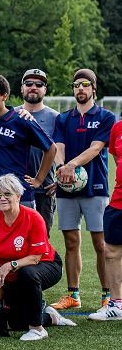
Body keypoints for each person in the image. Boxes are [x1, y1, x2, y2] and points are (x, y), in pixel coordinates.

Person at [47, 68, 116, 311]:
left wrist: (71, 165)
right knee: (71, 241)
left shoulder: (105, 116)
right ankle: (72, 295)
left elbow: (97, 148)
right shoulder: (63, 118)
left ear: (93, 88)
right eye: (76, 85)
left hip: (96, 187)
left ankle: (108, 296)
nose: (80, 88)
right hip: (68, 187)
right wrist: (62, 168)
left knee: (101, 243)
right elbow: (59, 146)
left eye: (85, 84)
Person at [0, 174, 74, 340]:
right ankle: (51, 317)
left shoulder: (33, 217)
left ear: (18, 196)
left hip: (46, 265)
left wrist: (10, 265)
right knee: (17, 323)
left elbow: (35, 258)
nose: (1, 198)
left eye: (7, 194)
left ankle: (38, 329)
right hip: (12, 275)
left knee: (28, 273)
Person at [0, 74, 55, 241]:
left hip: (19, 194)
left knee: (22, 244)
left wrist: (38, 180)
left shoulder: (22, 120)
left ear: (4, 96)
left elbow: (50, 148)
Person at [16, 69, 59, 235]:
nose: (33, 87)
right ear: (22, 88)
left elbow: (65, 151)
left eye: (39, 84)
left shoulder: (56, 118)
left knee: (40, 241)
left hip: (43, 191)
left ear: (45, 89)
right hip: (14, 189)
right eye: (29, 83)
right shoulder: (12, 114)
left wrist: (60, 179)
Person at [97, 117, 122, 321]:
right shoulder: (117, 128)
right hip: (118, 201)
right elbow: (116, 160)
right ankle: (117, 304)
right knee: (111, 252)